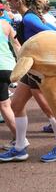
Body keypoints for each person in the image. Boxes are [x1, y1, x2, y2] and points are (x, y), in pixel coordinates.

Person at [0, 0, 56, 163]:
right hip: (30, 69)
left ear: (17, 0)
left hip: (40, 70)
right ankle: (19, 148)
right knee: (16, 105)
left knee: (49, 109)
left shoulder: (29, 19)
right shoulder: (27, 18)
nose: (8, 2)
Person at [0, 16, 21, 150]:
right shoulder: (5, 24)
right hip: (9, 66)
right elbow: (17, 45)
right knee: (6, 104)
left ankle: (20, 140)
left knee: (4, 106)